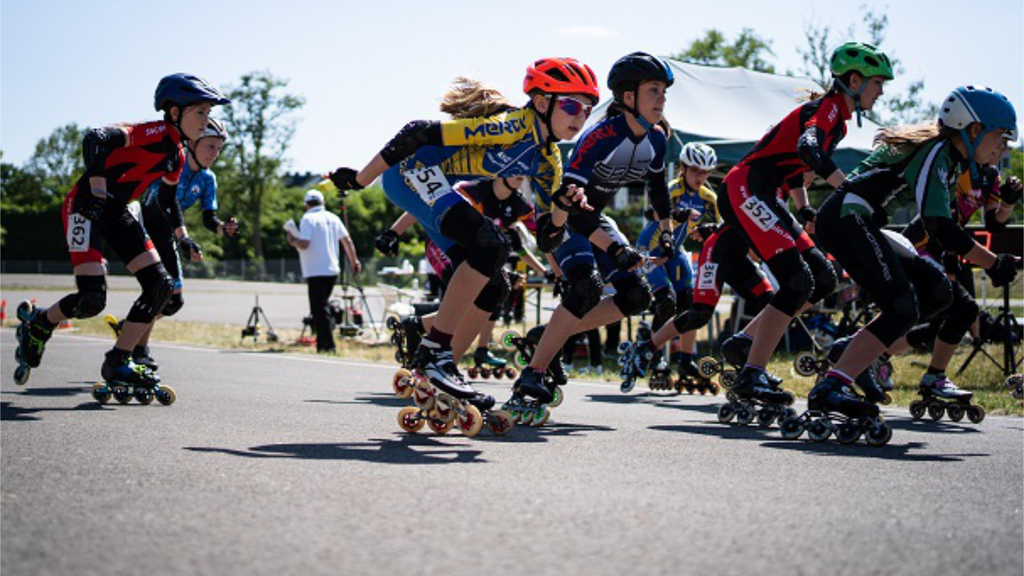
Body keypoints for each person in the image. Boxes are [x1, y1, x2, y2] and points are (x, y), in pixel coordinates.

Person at [326, 60, 597, 404]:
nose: (580, 116)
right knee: (492, 245)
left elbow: (547, 238)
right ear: (542, 103)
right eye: (572, 105)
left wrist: (562, 209)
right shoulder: (510, 126)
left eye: (587, 110)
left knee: (496, 284)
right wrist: (360, 180)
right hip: (409, 171)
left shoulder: (549, 161)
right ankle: (435, 353)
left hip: (435, 185)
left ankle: (440, 371)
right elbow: (417, 130)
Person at [812, 85, 1020, 419]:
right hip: (846, 219)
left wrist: (992, 260)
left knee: (939, 292)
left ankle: (852, 350)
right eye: (1001, 136)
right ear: (975, 129)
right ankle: (830, 388)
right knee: (902, 305)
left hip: (859, 220)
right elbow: (939, 225)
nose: (1003, 146)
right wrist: (994, 263)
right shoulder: (938, 153)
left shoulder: (948, 157)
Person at [14, 73, 229, 389]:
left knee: (161, 286)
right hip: (86, 206)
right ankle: (40, 323)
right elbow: (95, 138)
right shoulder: (152, 132)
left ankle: (120, 360)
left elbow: (167, 204)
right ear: (174, 113)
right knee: (91, 299)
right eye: (200, 112)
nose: (205, 120)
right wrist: (99, 188)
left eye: (208, 113)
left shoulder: (177, 156)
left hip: (117, 212)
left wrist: (182, 237)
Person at [717, 42, 892, 403]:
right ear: (855, 81)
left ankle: (744, 342)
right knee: (796, 280)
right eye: (877, 83)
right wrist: (849, 189)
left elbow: (794, 165)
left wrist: (805, 208)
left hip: (769, 192)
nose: (882, 91)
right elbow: (807, 151)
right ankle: (752, 375)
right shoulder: (826, 110)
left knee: (823, 278)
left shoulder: (837, 122)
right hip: (745, 187)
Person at [510, 51, 676, 403]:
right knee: (586, 288)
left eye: (664, 91)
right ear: (628, 97)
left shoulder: (658, 139)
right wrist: (614, 248)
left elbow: (658, 190)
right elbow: (571, 207)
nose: (662, 99)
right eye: (654, 91)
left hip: (596, 215)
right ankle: (532, 374)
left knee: (636, 296)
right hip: (567, 217)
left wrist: (668, 232)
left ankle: (547, 335)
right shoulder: (600, 137)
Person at [127, 118, 240, 370]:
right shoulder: (171, 164)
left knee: (174, 301)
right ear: (191, 143)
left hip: (169, 233)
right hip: (144, 226)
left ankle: (132, 328)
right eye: (210, 146)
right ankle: (139, 349)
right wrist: (183, 237)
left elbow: (208, 217)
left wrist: (223, 227)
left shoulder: (208, 179)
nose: (216, 154)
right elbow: (160, 206)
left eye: (219, 148)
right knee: (159, 290)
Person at [635, 142, 721, 384]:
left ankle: (685, 360)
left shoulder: (708, 197)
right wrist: (677, 215)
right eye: (695, 171)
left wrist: (709, 230)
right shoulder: (672, 189)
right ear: (682, 168)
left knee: (690, 304)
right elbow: (650, 212)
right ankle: (655, 357)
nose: (700, 177)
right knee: (666, 302)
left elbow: (722, 227)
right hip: (650, 250)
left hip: (676, 252)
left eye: (705, 172)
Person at [287, 189, 361, 353]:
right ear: (323, 203)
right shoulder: (333, 217)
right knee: (323, 306)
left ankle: (326, 345)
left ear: (307, 204)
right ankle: (325, 342)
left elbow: (305, 244)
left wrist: (293, 241)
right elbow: (347, 240)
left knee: (319, 309)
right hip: (332, 268)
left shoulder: (308, 218)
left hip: (315, 269)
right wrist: (354, 260)